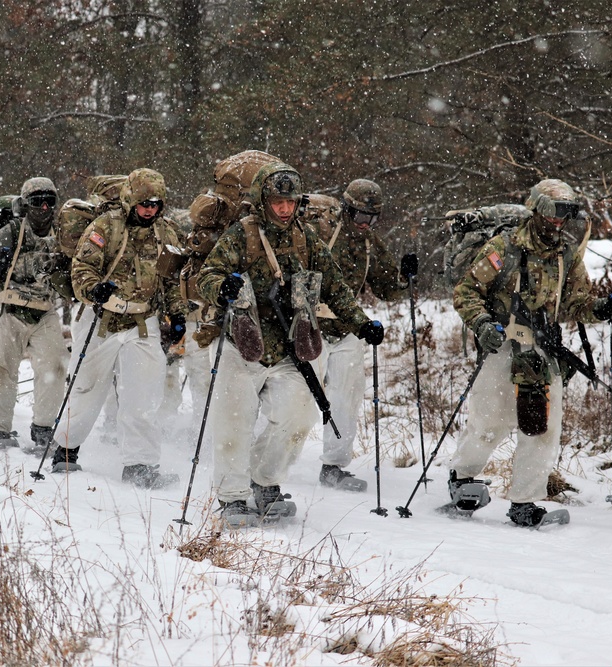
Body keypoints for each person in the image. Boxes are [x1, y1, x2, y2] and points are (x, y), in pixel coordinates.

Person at [196, 162, 386, 524]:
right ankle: (232, 496)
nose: (284, 208)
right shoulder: (242, 234)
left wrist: (362, 325)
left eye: (290, 201)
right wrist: (222, 288)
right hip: (241, 342)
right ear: (263, 200)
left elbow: (335, 287)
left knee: (299, 415)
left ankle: (264, 481)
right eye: (277, 201)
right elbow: (209, 274)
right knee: (233, 420)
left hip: (289, 347)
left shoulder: (307, 238)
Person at [450, 178, 612, 526]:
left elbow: (575, 303)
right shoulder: (505, 247)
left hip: (544, 349)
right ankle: (462, 478)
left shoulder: (567, 254)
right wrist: (483, 323)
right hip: (502, 343)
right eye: (554, 214)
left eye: (565, 214)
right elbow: (466, 292)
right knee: (489, 422)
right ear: (538, 210)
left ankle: (525, 502)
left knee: (542, 427)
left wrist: (603, 309)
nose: (559, 222)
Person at [48, 168, 186, 490]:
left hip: (143, 322)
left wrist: (177, 315)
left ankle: (140, 466)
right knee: (86, 389)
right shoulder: (105, 227)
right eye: (143, 203)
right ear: (129, 199)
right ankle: (66, 451)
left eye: (155, 203)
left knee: (143, 397)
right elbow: (82, 267)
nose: (149, 209)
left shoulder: (166, 234)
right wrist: (93, 289)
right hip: (100, 319)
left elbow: (172, 281)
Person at [304, 180, 406, 492]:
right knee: (299, 397)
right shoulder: (319, 230)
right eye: (361, 216)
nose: (366, 224)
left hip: (348, 328)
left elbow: (388, 288)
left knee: (346, 397)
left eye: (373, 218)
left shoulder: (369, 243)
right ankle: (269, 457)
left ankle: (333, 465)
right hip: (311, 323)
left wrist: (406, 275)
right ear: (347, 209)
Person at [0, 178, 70, 452]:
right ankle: (1, 431)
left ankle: (43, 427)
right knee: (2, 372)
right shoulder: (11, 231)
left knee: (54, 368)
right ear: (25, 204)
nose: (43, 207)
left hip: (45, 311)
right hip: (10, 308)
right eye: (37, 201)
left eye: (49, 201)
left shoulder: (62, 235)